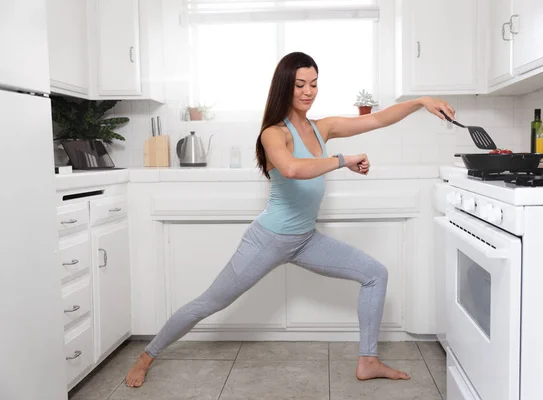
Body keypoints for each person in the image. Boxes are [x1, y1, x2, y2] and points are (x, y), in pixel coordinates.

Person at [125, 51, 455, 388]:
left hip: (305, 240)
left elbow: (377, 120)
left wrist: (421, 101)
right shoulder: (273, 133)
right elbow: (293, 169)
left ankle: (368, 360)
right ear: (285, 86)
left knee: (375, 274)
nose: (308, 91)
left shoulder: (321, 127)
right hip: (268, 240)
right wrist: (342, 160)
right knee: (209, 302)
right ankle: (147, 355)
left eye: (313, 84)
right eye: (300, 85)